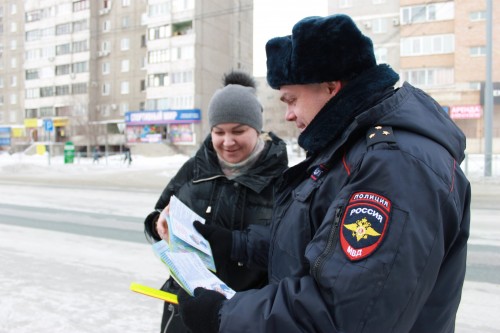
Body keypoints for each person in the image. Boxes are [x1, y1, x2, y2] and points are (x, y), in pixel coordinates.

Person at [176, 14, 471, 333]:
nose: (288, 115)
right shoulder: (350, 153)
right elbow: (312, 245)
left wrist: (224, 316)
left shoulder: (395, 165)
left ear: (331, 88)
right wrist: (231, 243)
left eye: (291, 100)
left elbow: (342, 314)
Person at [143, 70, 289, 333]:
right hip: (185, 312)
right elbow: (156, 215)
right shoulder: (194, 169)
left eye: (238, 130)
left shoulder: (283, 179)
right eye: (218, 131)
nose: (227, 141)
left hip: (245, 316)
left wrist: (234, 244)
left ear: (257, 129)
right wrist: (158, 224)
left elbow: (289, 252)